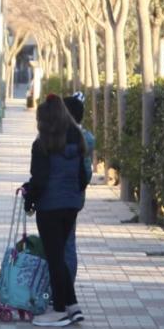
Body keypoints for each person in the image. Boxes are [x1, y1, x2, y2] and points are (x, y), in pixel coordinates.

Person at [24, 95, 89, 327]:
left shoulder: (41, 145)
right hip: (70, 205)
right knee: (59, 255)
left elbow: (39, 179)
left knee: (55, 258)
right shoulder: (77, 141)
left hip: (49, 206)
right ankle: (72, 306)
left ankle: (61, 308)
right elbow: (83, 176)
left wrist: (29, 198)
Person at [62, 93, 96, 280]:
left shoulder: (59, 138)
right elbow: (87, 173)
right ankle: (66, 288)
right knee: (68, 242)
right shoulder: (86, 138)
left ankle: (59, 288)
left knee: (58, 245)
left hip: (56, 199)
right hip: (74, 198)